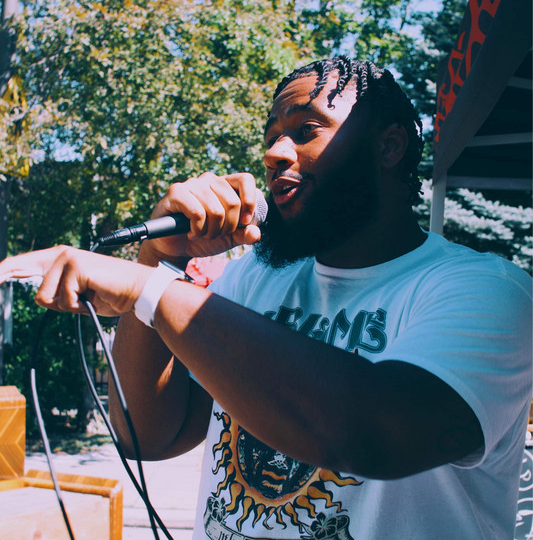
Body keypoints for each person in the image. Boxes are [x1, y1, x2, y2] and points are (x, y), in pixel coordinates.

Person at [0, 57, 531, 540]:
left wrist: (150, 290)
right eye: (272, 136)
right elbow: (150, 436)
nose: (275, 153)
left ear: (388, 146)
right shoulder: (254, 276)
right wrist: (158, 259)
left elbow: (377, 434)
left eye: (305, 131)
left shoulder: (486, 290)